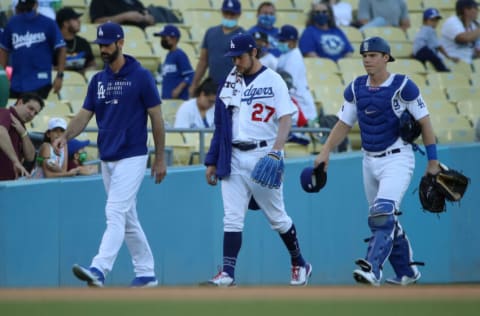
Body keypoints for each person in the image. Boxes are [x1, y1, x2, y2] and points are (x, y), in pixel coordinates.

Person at [313, 36, 441, 286]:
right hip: (368, 160)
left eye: (372, 55)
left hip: (397, 158)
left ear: (386, 57)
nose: (367, 60)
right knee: (380, 219)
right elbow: (344, 123)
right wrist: (325, 150)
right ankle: (407, 272)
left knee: (382, 214)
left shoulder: (404, 86)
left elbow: (425, 122)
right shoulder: (356, 87)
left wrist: (433, 161)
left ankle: (372, 269)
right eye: (364, 56)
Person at [53, 22, 167, 288]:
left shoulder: (141, 75)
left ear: (121, 42)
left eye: (107, 44)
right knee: (127, 217)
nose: (103, 49)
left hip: (133, 153)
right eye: (100, 44)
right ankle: (146, 272)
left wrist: (160, 158)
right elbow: (84, 114)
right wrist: (65, 136)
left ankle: (99, 269)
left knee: (114, 211)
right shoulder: (98, 79)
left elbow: (157, 118)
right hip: (108, 155)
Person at [203, 33, 312, 287]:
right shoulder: (229, 81)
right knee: (231, 217)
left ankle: (299, 262)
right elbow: (221, 124)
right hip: (232, 157)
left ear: (253, 53)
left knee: (277, 218)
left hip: (263, 154)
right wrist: (212, 159)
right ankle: (228, 273)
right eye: (233, 57)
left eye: (239, 56)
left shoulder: (273, 80)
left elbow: (286, 119)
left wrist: (276, 150)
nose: (236, 62)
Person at [0, 0, 66, 99]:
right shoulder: (13, 23)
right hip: (17, 83)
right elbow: (4, 49)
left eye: (28, 7)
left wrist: (60, 76)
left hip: (40, 81)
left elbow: (61, 48)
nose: (26, 11)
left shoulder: (48, 23)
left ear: (36, 5)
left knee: (34, 111)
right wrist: (3, 76)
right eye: (23, 7)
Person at [188, 0, 244, 96]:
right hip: (213, 86)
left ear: (238, 14)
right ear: (222, 12)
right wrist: (194, 84)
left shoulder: (243, 36)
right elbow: (203, 61)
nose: (229, 16)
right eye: (226, 13)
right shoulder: (210, 32)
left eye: (232, 14)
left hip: (235, 87)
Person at [277, 24, 317, 122]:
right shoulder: (285, 55)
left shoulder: (294, 57)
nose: (281, 43)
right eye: (280, 40)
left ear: (293, 41)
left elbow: (288, 85)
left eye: (284, 41)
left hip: (301, 105)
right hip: (294, 103)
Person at [0, 92, 44, 180]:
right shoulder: (5, 113)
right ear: (20, 102)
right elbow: (1, 132)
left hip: (9, 182)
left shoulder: (21, 127)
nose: (32, 114)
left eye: (35, 113)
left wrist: (23, 133)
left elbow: (30, 157)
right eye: (30, 108)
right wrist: (16, 161)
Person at [154, 24, 194, 100]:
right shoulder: (169, 55)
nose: (162, 40)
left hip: (178, 100)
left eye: (164, 37)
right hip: (168, 99)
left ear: (174, 38)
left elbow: (190, 75)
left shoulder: (180, 54)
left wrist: (178, 89)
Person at [413, 8, 458, 72]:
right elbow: (438, 46)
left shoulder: (422, 30)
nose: (434, 23)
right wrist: (448, 56)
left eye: (436, 20)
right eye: (432, 20)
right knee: (436, 59)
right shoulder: (430, 30)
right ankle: (443, 70)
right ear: (424, 21)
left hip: (418, 53)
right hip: (424, 50)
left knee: (430, 60)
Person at [55, 7, 96, 75]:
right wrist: (62, 68)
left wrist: (84, 72)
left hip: (81, 81)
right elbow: (46, 68)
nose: (79, 21)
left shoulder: (83, 42)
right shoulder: (53, 43)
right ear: (65, 23)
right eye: (75, 19)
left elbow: (93, 65)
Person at [440, 0, 480, 64]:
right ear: (466, 10)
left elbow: (477, 50)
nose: (478, 10)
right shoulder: (452, 21)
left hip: (468, 63)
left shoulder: (475, 24)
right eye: (475, 8)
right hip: (450, 63)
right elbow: (463, 38)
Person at [89, 0, 155, 29]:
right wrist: (125, 17)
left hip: (141, 41)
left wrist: (148, 18)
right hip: (116, 40)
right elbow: (97, 22)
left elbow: (152, 22)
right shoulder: (100, 1)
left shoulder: (136, 2)